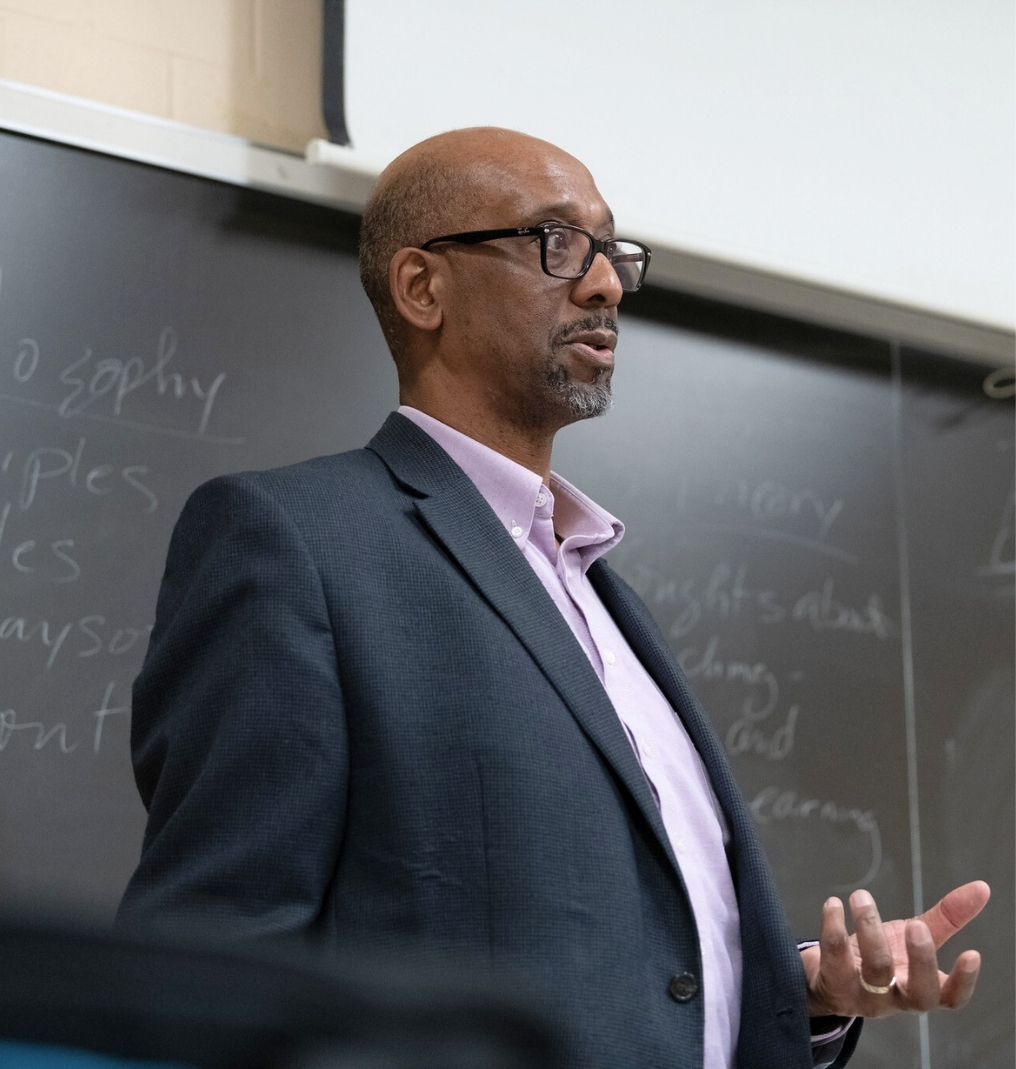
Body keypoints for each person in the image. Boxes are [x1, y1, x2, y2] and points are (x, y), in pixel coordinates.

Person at [117, 128, 989, 1069]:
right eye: (556, 242)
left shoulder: (607, 599)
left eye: (612, 250)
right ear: (422, 288)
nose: (607, 283)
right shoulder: (295, 542)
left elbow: (639, 970)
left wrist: (802, 988)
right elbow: (209, 968)